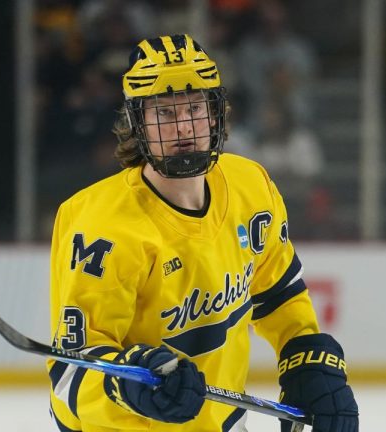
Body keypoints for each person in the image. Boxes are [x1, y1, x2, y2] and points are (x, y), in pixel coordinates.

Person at [47, 34, 358, 432]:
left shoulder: (250, 185)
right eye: (165, 114)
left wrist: (305, 352)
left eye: (195, 108)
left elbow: (278, 291)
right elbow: (70, 379)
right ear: (137, 123)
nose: (184, 128)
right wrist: (130, 386)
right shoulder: (100, 227)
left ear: (216, 113)